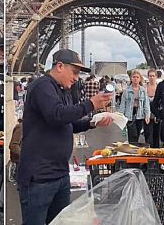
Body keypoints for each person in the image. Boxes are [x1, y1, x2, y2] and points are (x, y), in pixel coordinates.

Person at [17, 49, 113, 224]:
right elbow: (57, 115)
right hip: (39, 177)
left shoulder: (62, 90)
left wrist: (92, 123)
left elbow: (67, 122)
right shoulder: (42, 86)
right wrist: (91, 104)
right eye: (74, 72)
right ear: (60, 66)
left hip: (59, 174)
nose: (77, 78)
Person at [118, 70, 150, 143]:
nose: (135, 79)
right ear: (131, 79)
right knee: (133, 134)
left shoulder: (143, 90)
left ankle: (134, 150)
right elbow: (123, 104)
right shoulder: (127, 91)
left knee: (138, 134)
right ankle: (132, 150)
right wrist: (120, 116)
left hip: (139, 114)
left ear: (140, 79)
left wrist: (147, 115)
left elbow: (146, 103)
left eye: (137, 77)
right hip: (129, 114)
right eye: (134, 77)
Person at [144, 69, 161, 148]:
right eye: (150, 76)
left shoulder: (159, 87)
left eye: (153, 76)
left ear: (156, 77)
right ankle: (148, 149)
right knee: (147, 132)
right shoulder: (144, 87)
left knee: (156, 133)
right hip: (147, 113)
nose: (151, 77)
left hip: (156, 113)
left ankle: (156, 150)